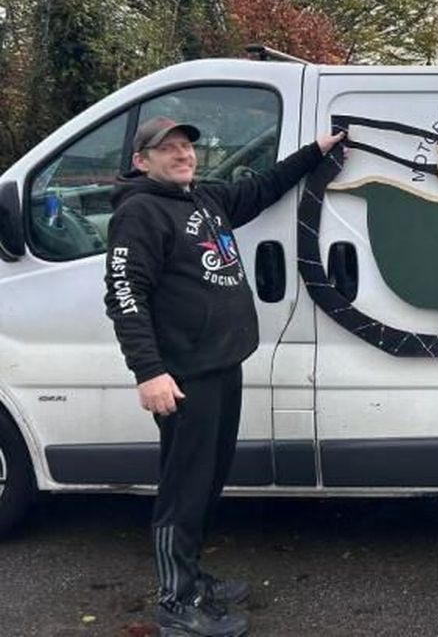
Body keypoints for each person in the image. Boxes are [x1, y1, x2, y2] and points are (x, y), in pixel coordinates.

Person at [103, 116, 345, 637]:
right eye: (166, 149)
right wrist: (150, 373)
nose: (181, 154)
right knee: (184, 488)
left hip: (220, 365)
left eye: (186, 146)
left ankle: (193, 579)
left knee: (208, 481)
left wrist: (316, 151)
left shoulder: (202, 199)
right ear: (140, 161)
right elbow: (125, 297)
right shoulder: (140, 213)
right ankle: (176, 603)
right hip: (184, 376)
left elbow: (260, 188)